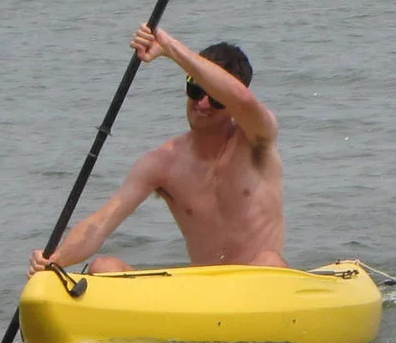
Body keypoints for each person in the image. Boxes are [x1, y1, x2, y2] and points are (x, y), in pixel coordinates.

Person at [29, 25, 287, 275]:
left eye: (216, 98)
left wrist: (168, 47)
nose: (202, 103)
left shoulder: (258, 138)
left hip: (261, 288)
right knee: (103, 267)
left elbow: (241, 99)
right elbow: (102, 223)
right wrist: (56, 259)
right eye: (195, 88)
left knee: (269, 261)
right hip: (204, 293)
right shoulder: (163, 162)